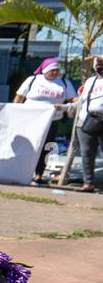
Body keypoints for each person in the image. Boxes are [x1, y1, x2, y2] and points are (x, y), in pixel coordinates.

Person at [14, 58, 76, 185]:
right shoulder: (33, 80)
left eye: (57, 70)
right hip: (30, 119)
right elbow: (19, 97)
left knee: (45, 148)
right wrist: (14, 111)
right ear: (45, 70)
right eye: (52, 70)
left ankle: (38, 175)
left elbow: (74, 99)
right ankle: (22, 172)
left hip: (52, 121)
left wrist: (69, 106)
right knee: (28, 145)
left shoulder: (64, 83)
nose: (55, 73)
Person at [71, 53, 103, 192]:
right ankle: (88, 183)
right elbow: (81, 100)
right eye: (98, 65)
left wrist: (96, 55)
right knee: (87, 153)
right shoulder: (90, 81)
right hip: (87, 120)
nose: (100, 67)